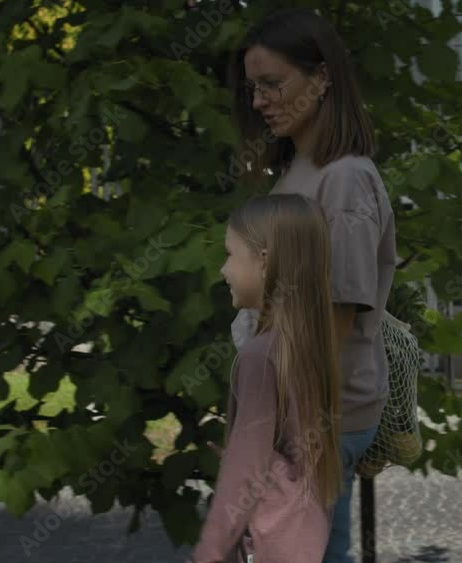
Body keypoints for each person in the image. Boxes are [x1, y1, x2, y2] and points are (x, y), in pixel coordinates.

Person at [227, 8, 397, 563]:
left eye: (273, 84)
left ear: (322, 78)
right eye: (254, 88)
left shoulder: (344, 178)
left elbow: (337, 316)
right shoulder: (301, 169)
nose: (259, 102)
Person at [190, 194, 344, 562]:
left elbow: (244, 473)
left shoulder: (260, 357)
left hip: (268, 541)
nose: (224, 270)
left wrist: (207, 554)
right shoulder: (308, 345)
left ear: (264, 260)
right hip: (303, 535)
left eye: (231, 255)